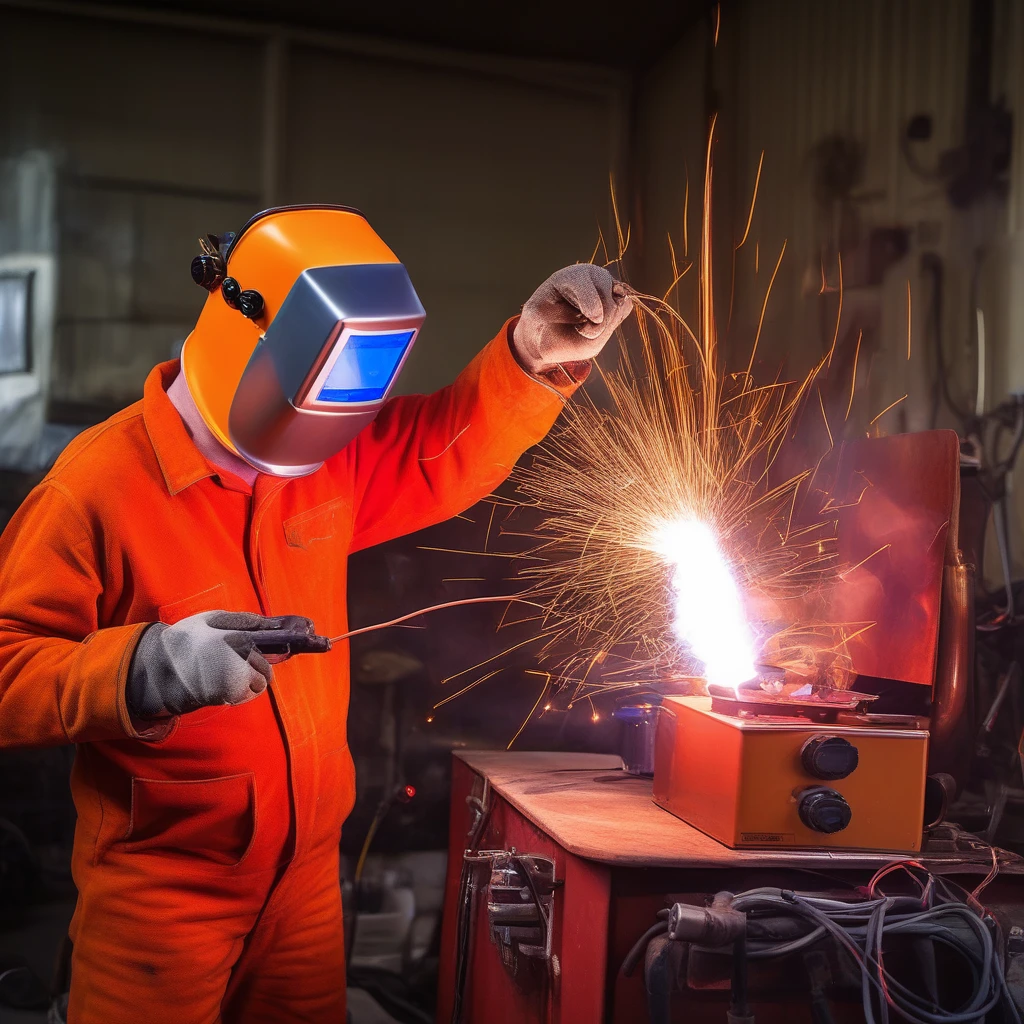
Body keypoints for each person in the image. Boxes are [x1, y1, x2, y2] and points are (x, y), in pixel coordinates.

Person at [0, 205, 632, 1023]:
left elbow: (437, 449)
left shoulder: (320, 463)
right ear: (248, 327)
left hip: (305, 881)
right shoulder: (96, 488)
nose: (338, 417)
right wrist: (148, 667)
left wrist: (529, 359)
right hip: (163, 889)